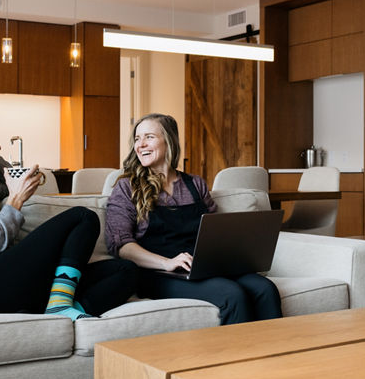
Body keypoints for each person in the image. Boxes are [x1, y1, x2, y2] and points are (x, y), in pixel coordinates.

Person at [0, 107, 137, 319]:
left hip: (4, 282)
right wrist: (17, 198)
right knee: (83, 217)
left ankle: (61, 311)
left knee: (126, 270)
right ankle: (60, 305)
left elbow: (4, 172)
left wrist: (2, 170)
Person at [104, 113, 282, 325]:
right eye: (137, 138)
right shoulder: (127, 186)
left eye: (149, 137)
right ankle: (238, 358)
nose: (140, 144)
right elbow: (121, 245)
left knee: (265, 289)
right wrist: (167, 263)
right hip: (157, 272)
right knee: (232, 295)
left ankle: (275, 356)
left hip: (199, 267)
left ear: (169, 141)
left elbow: (215, 233)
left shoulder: (195, 184)